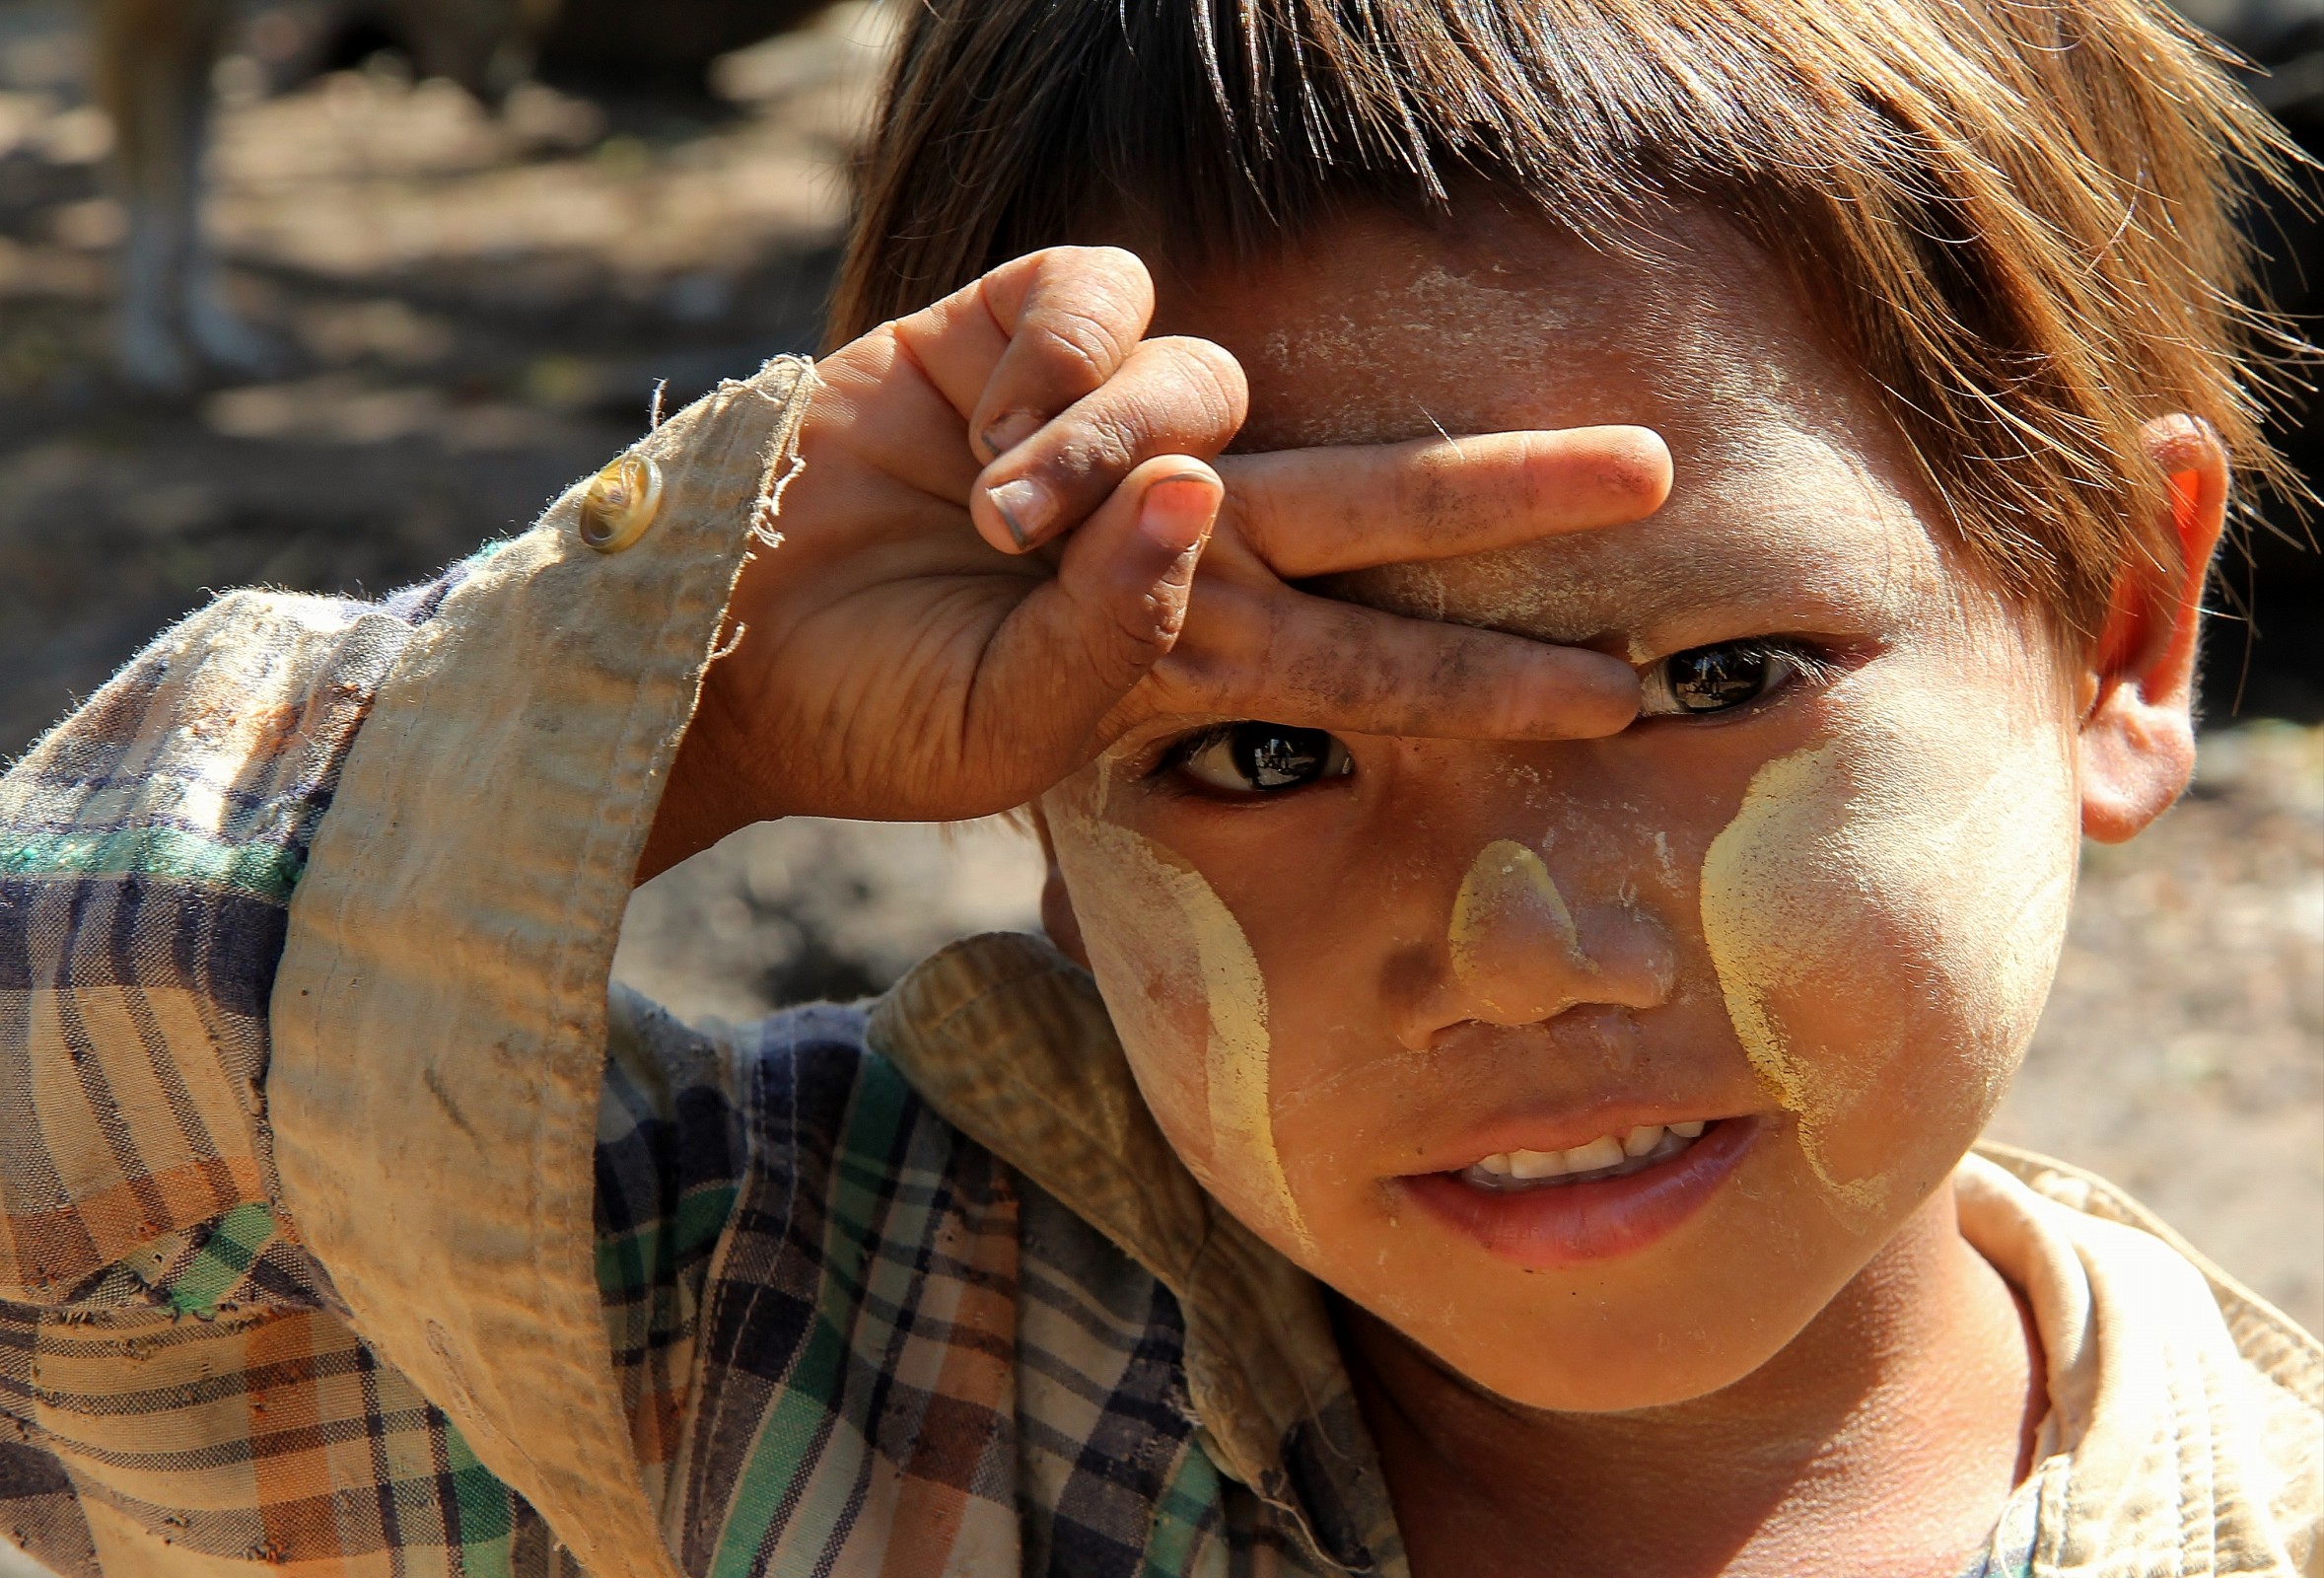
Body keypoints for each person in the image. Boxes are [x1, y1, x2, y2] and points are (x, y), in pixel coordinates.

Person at [2, 0, 2317, 1573]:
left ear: (2122, 625)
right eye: (1261, 744)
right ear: (1025, 769)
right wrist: (665, 678)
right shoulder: (761, 1360)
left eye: (1714, 671)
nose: (1516, 952)